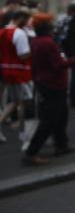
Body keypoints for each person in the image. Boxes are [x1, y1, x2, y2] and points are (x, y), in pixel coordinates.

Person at [22, 13, 75, 164]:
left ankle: (61, 144)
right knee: (49, 120)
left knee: (61, 115)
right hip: (53, 84)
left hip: (46, 83)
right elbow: (58, 65)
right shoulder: (47, 43)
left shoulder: (37, 41)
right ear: (47, 27)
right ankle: (31, 153)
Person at [0, 8, 34, 144]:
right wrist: (34, 50)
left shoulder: (2, 32)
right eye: (26, 20)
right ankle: (23, 132)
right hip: (21, 72)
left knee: (15, 101)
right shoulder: (19, 33)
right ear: (20, 18)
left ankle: (22, 131)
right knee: (25, 102)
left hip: (6, 70)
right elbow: (23, 54)